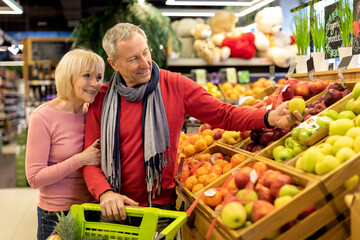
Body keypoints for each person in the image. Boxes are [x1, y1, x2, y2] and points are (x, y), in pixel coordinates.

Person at [83, 23, 304, 230]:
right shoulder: (101, 100)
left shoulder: (175, 85)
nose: (145, 63)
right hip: (114, 211)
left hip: (160, 212)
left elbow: (223, 114)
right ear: (114, 63)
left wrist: (269, 118)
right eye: (133, 59)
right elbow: (89, 159)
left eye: (146, 52)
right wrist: (104, 194)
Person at [25, 48, 105, 240]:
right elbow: (34, 178)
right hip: (57, 216)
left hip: (91, 210)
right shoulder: (43, 117)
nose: (95, 84)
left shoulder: (93, 114)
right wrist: (80, 159)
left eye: (99, 77)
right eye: (87, 76)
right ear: (69, 77)